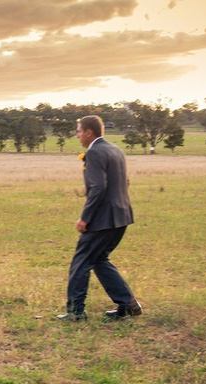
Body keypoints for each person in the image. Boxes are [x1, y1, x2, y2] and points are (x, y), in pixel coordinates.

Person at [57, 115, 142, 321]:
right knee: (99, 260)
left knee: (81, 261)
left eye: (78, 131)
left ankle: (76, 312)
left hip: (102, 219)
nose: (77, 135)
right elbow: (125, 182)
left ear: (89, 132)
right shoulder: (115, 150)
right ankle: (128, 305)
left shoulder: (94, 152)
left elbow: (98, 187)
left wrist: (85, 217)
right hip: (121, 216)